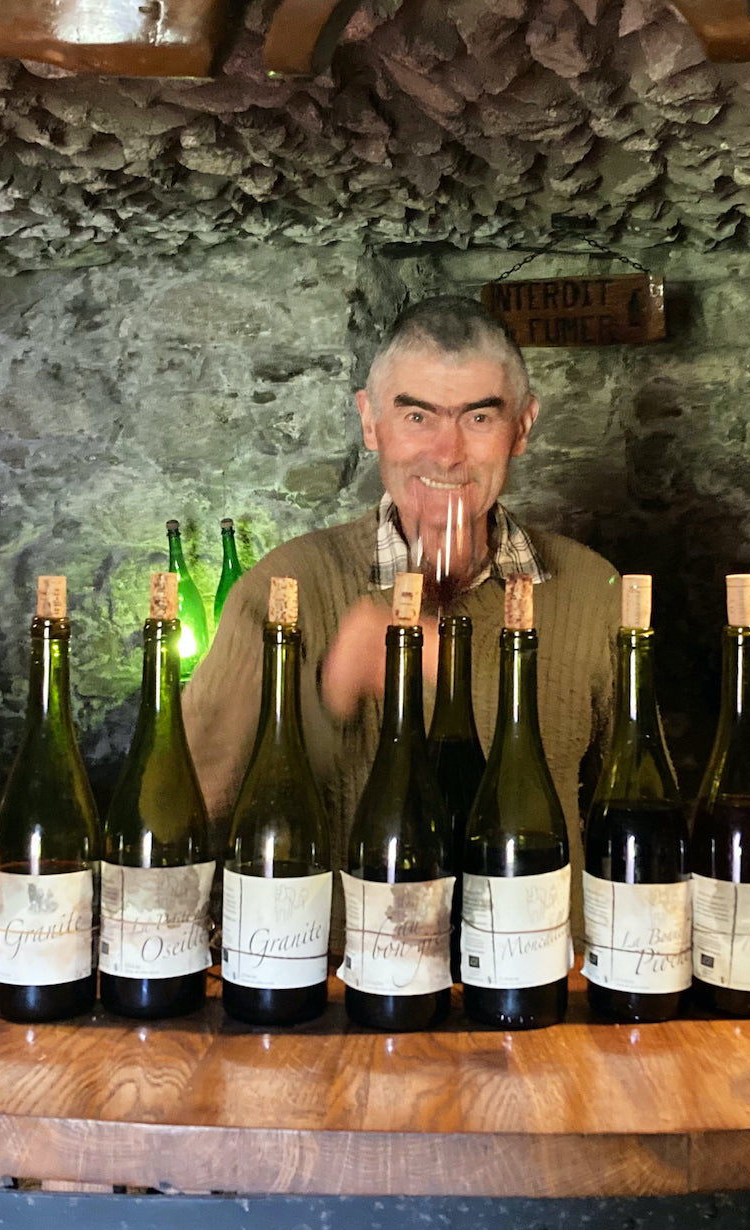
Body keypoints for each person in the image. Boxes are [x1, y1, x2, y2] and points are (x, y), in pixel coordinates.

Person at [183, 296, 620, 945]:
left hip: (535, 987)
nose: (446, 453)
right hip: (332, 990)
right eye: (416, 414)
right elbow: (174, 820)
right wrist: (329, 692)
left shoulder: (594, 590)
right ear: (370, 420)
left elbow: (638, 827)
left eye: (478, 416)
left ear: (522, 427)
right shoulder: (286, 588)